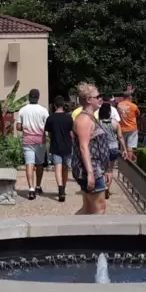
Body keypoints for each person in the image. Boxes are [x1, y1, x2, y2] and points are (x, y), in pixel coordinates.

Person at [71, 82, 110, 215]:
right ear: (88, 99)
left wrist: (105, 169)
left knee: (88, 209)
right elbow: (83, 147)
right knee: (99, 209)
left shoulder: (90, 118)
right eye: (97, 96)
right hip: (91, 169)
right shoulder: (83, 120)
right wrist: (91, 173)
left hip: (96, 168)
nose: (100, 99)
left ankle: (68, 233)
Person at [15, 88, 50, 200]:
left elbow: (18, 127)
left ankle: (30, 189)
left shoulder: (23, 110)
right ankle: (38, 186)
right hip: (40, 139)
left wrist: (26, 128)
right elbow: (47, 126)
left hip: (28, 139)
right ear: (38, 97)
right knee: (39, 163)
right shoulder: (44, 110)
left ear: (29, 97)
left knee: (29, 163)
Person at [44, 95, 74, 202]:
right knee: (65, 168)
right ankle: (64, 187)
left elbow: (49, 134)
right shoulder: (68, 118)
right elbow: (71, 133)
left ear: (55, 105)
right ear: (63, 105)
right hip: (67, 146)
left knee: (57, 168)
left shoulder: (50, 118)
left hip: (55, 146)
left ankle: (60, 189)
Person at [98, 102, 126, 200]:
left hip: (101, 148)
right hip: (113, 147)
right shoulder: (115, 123)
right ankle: (107, 188)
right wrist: (124, 149)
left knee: (101, 169)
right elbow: (120, 136)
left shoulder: (98, 123)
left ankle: (101, 187)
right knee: (110, 170)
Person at [116, 92, 141, 161]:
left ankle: (122, 163)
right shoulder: (134, 106)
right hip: (132, 128)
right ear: (130, 97)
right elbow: (138, 114)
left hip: (122, 128)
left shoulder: (119, 105)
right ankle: (129, 163)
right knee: (130, 147)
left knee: (122, 146)